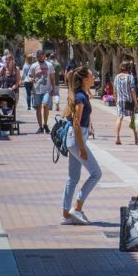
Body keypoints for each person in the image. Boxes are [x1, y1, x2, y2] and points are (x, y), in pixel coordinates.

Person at [62, 67, 102, 225]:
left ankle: (66, 214)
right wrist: (82, 148)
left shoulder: (82, 94)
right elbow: (76, 123)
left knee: (73, 178)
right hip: (76, 139)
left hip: (76, 139)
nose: (94, 76)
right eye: (92, 74)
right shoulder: (80, 97)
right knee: (96, 173)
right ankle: (77, 208)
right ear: (85, 79)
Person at [114, 62, 138, 145]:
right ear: (129, 68)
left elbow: (114, 90)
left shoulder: (116, 77)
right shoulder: (130, 77)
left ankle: (117, 138)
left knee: (119, 118)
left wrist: (116, 100)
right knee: (133, 119)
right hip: (129, 100)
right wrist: (136, 103)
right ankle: (136, 138)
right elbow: (132, 90)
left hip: (120, 100)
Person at [30, 50, 55, 134]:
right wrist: (31, 79)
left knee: (45, 105)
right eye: (39, 56)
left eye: (42, 56)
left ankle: (45, 124)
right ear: (37, 57)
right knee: (38, 108)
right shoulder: (34, 66)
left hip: (47, 89)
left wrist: (53, 88)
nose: (40, 57)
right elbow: (30, 76)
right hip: (37, 89)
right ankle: (40, 126)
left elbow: (52, 77)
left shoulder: (49, 65)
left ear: (44, 56)